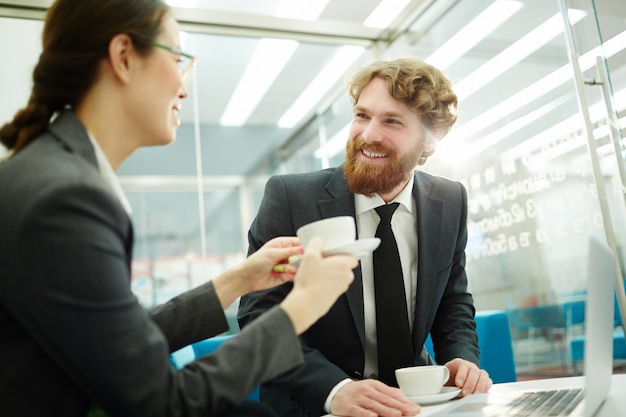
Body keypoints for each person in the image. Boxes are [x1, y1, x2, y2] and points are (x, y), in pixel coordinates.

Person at [0, 1, 358, 416]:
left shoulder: (58, 173)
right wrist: (301, 307)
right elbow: (159, 402)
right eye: (178, 58)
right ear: (123, 57)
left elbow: (123, 342)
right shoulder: (66, 198)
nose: (184, 87)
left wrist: (238, 280)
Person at [238, 57, 493, 417]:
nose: (369, 134)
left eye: (391, 121)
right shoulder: (292, 199)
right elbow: (259, 315)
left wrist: (460, 359)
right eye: (362, 115)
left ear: (430, 140)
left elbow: (452, 300)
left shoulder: (448, 201)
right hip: (313, 405)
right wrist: (335, 390)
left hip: (414, 404)